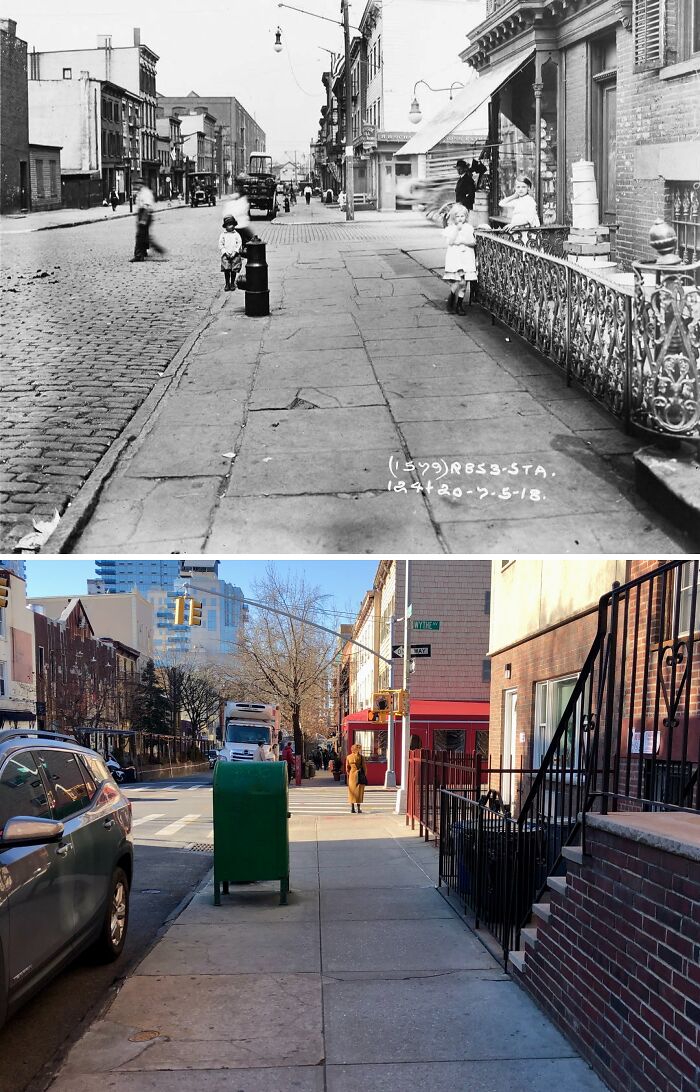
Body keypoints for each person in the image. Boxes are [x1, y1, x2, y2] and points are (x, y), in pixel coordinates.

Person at [443, 202, 477, 314]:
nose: (460, 219)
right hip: (456, 257)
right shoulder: (450, 228)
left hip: (466, 257)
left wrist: (464, 241)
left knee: (464, 283)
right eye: (457, 216)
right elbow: (450, 241)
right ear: (453, 217)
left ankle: (459, 305)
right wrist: (456, 230)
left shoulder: (469, 228)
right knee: (456, 282)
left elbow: (473, 242)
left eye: (462, 216)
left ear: (466, 217)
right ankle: (452, 298)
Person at [130, 178, 165, 262]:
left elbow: (147, 206)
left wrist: (143, 219)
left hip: (145, 213)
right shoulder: (141, 192)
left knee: (140, 235)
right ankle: (144, 251)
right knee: (144, 235)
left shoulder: (145, 192)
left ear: (141, 184)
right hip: (142, 213)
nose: (135, 186)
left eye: (137, 184)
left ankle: (139, 255)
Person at [219, 214, 243, 292]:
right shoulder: (223, 235)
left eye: (232, 224)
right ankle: (227, 283)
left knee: (234, 269)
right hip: (226, 255)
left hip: (234, 255)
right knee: (226, 269)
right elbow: (221, 244)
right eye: (229, 225)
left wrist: (235, 251)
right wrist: (224, 252)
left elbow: (239, 243)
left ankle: (232, 283)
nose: (231, 226)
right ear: (225, 226)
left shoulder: (236, 234)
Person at [346, 742, 366, 814]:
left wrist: (350, 773)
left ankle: (352, 808)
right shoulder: (361, 757)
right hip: (359, 775)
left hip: (352, 776)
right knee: (359, 792)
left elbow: (347, 768)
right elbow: (364, 767)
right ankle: (358, 808)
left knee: (352, 792)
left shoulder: (348, 757)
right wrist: (364, 775)